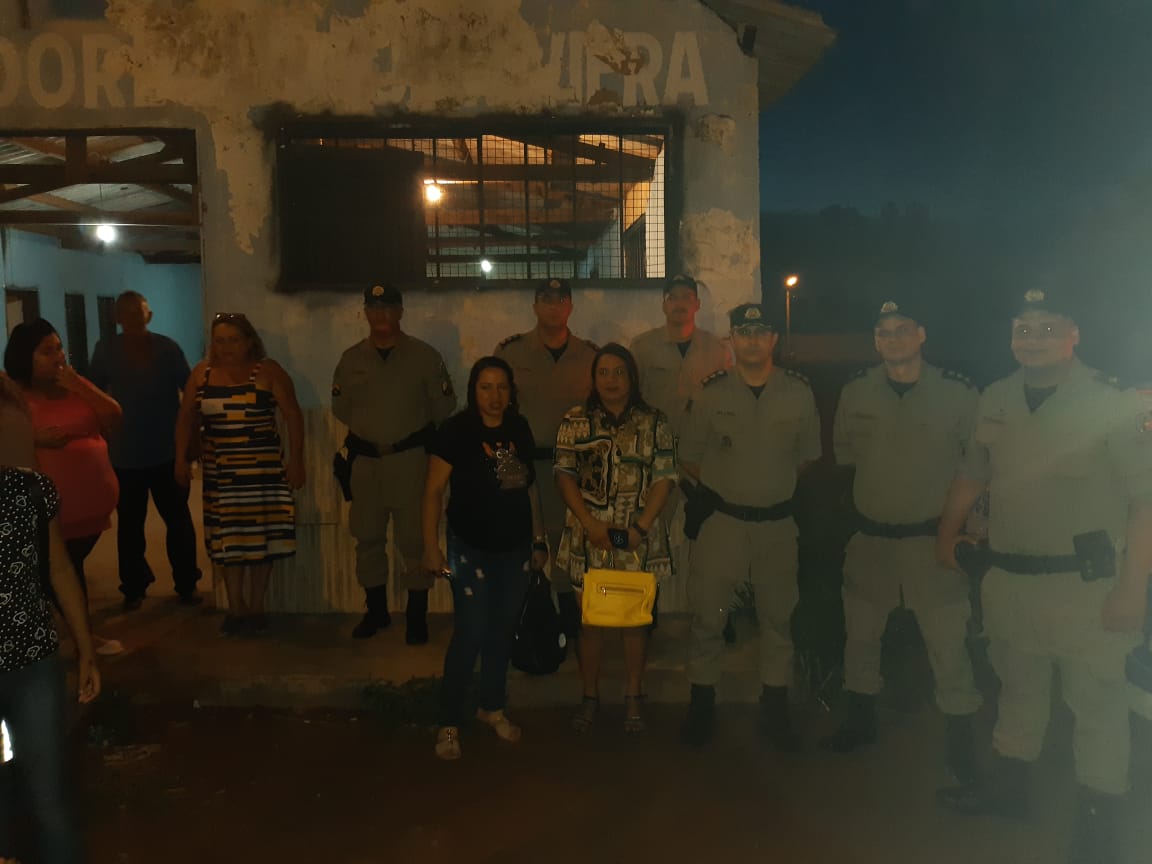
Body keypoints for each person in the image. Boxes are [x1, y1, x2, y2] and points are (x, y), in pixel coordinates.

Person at [935, 288, 1152, 864]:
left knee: (1097, 706)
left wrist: (1133, 590)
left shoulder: (1111, 401)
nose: (1034, 340)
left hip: (1087, 589)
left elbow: (1146, 502)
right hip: (1010, 582)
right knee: (1017, 691)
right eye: (1023, 330)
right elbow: (973, 473)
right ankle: (1009, 793)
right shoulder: (997, 397)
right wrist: (946, 533)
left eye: (1049, 329)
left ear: (1074, 335)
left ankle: (1099, 822)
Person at [822, 299, 981, 783]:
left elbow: (976, 466)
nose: (892, 339)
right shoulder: (856, 391)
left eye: (902, 329)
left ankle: (961, 739)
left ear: (921, 334)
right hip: (872, 540)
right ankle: (860, 721)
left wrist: (964, 533)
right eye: (883, 332)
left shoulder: (958, 393)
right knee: (861, 638)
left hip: (932, 541)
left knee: (948, 645)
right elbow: (847, 457)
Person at [678, 303, 821, 750]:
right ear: (732, 341)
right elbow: (690, 456)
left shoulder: (798, 393)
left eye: (761, 332)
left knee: (778, 619)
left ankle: (774, 708)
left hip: (777, 526)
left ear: (773, 339)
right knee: (708, 617)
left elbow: (807, 458)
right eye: (744, 332)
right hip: (723, 523)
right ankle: (702, 703)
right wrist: (731, 486)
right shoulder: (711, 392)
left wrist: (767, 486)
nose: (753, 340)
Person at [422, 356, 548, 760]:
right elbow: (433, 491)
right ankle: (448, 721)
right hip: (469, 547)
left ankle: (491, 707)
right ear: (473, 390)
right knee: (471, 632)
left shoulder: (517, 428)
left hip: (514, 549)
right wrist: (430, 546)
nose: (495, 396)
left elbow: (528, 488)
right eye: (486, 387)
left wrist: (538, 539)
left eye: (502, 387)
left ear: (511, 392)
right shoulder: (456, 430)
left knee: (502, 630)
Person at [554, 343, 675, 734]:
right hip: (588, 538)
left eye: (619, 372)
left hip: (637, 540)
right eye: (603, 372)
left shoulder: (655, 422)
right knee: (590, 622)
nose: (611, 380)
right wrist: (589, 522)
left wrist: (640, 529)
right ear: (593, 378)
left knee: (634, 623)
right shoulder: (575, 420)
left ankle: (634, 696)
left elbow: (664, 478)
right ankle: (589, 696)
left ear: (632, 377)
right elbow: (564, 475)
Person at [332, 283, 455, 643]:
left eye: (388, 307)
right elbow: (341, 408)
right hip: (366, 464)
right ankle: (377, 611)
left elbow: (443, 408)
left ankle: (417, 616)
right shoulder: (351, 359)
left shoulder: (424, 357)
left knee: (414, 541)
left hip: (410, 461)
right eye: (374, 308)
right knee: (367, 538)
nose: (381, 314)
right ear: (365, 312)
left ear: (400, 311)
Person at [175, 313, 304, 635]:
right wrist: (180, 459)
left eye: (233, 340)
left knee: (263, 541)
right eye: (220, 341)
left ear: (249, 341)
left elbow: (293, 415)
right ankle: (235, 607)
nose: (226, 347)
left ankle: (257, 606)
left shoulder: (268, 371)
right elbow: (185, 418)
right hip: (221, 477)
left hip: (263, 473)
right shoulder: (201, 374)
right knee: (228, 543)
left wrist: (297, 461)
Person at [4, 319, 123, 656]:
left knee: (66, 568)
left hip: (90, 508)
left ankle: (70, 631)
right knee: (60, 570)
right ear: (25, 356)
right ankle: (81, 638)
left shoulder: (73, 384)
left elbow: (113, 415)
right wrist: (34, 438)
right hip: (46, 509)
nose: (57, 356)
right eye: (47, 351)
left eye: (59, 348)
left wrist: (78, 385)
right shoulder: (11, 394)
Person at [0, 465, 101, 864]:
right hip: (32, 672)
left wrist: (85, 647)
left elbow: (59, 568)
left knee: (49, 800)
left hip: (33, 668)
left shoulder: (28, 490)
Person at [495, 278, 598, 644]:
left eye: (561, 300)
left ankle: (569, 618)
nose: (554, 306)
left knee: (569, 542)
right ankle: (523, 624)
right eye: (546, 299)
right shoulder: (511, 353)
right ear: (535, 306)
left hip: (573, 468)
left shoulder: (590, 356)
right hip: (523, 466)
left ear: (570, 307)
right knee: (522, 542)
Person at [89, 291, 202, 610]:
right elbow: (93, 391)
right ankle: (134, 586)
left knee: (178, 521)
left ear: (148, 316)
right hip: (125, 455)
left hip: (167, 452)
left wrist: (190, 444)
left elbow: (190, 392)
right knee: (129, 525)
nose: (133, 318)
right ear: (117, 318)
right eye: (126, 313)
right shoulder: (105, 350)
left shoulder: (167, 348)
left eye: (138, 312)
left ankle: (186, 583)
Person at [629, 273, 730, 626]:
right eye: (673, 296)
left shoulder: (717, 349)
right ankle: (645, 614)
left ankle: (717, 614)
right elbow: (631, 402)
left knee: (712, 541)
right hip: (655, 461)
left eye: (687, 296)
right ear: (664, 304)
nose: (680, 303)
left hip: (702, 464)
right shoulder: (642, 347)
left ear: (697, 305)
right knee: (649, 538)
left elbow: (727, 404)